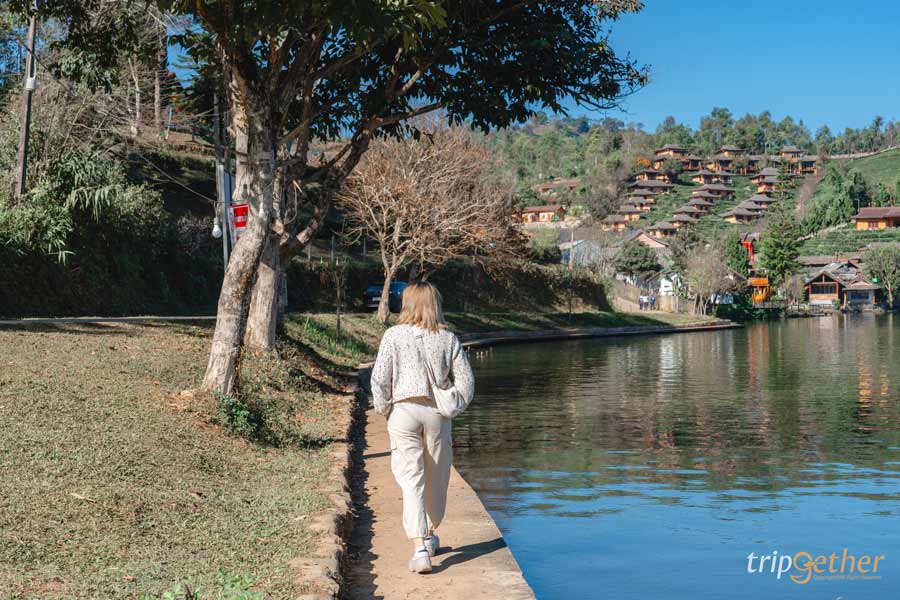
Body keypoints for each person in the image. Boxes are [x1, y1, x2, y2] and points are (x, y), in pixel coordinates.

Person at [370, 281, 475, 574]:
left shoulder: (392, 335)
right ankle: (429, 533)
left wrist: (385, 408)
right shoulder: (448, 338)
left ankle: (419, 549)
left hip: (403, 411)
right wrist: (453, 405)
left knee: (411, 478)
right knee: (437, 476)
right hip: (436, 414)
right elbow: (466, 383)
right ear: (435, 304)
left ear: (407, 303)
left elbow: (379, 378)